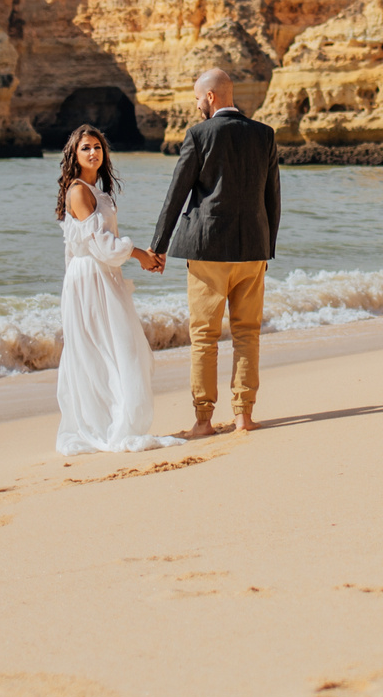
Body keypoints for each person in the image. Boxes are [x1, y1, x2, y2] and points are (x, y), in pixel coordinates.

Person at [150, 69, 282, 438]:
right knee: (247, 333)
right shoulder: (264, 134)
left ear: (210, 97)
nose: (196, 105)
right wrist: (266, 247)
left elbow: (176, 194)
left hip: (207, 249)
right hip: (252, 250)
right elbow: (273, 198)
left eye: (197, 98)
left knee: (205, 338)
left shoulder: (199, 134)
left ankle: (203, 420)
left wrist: (158, 247)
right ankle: (244, 415)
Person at [52, 125, 179, 456]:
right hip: (90, 279)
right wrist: (140, 255)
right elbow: (103, 246)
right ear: (74, 155)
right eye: (85, 148)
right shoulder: (79, 192)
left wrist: (141, 256)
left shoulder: (97, 191)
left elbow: (104, 246)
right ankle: (108, 426)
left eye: (97, 147)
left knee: (119, 348)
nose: (93, 152)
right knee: (110, 349)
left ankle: (115, 421)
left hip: (103, 276)